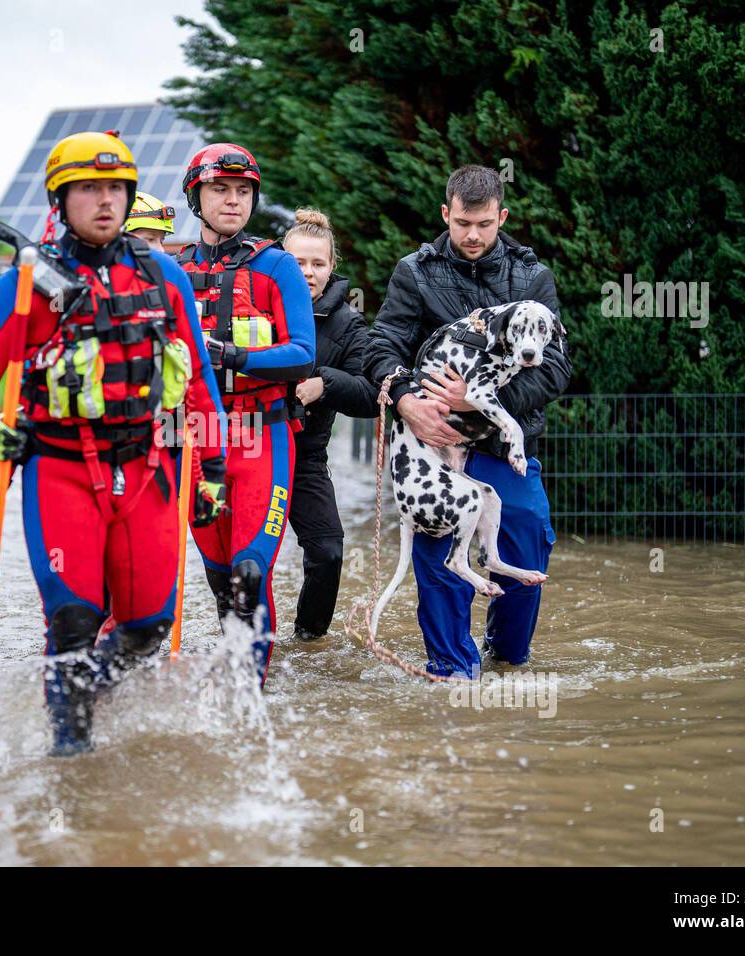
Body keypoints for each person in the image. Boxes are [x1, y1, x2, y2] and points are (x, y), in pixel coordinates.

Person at [0, 130, 229, 755]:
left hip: (149, 467)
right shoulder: (25, 285)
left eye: (114, 189)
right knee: (74, 620)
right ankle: (70, 755)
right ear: (61, 198)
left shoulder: (163, 277)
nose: (104, 201)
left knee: (148, 628)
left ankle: (87, 689)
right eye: (88, 189)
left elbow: (199, 385)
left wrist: (209, 468)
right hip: (61, 470)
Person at [363, 164, 571, 680]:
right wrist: (407, 398)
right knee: (438, 560)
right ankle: (454, 673)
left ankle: (506, 658)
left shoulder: (532, 277)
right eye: (461, 224)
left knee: (526, 540)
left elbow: (558, 366)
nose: (472, 235)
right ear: (445, 215)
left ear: (502, 216)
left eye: (483, 224)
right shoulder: (414, 272)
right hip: (430, 439)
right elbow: (382, 344)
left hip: (501, 441)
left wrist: (477, 402)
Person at [175, 143, 316, 686]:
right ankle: (232, 681)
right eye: (219, 190)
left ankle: (255, 696)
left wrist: (230, 356)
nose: (233, 200)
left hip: (262, 436)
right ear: (197, 196)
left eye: (242, 191)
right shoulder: (171, 269)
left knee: (249, 572)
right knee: (219, 578)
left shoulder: (277, 265)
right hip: (193, 438)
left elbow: (303, 354)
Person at [281, 208, 380, 641]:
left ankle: (308, 640)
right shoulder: (259, 306)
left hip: (305, 458)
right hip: (252, 450)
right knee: (244, 559)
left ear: (332, 267)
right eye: (298, 263)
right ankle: (244, 639)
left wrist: (325, 383)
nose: (307, 273)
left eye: (318, 263)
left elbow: (369, 394)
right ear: (282, 263)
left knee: (328, 552)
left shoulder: (348, 322)